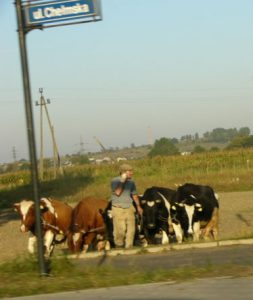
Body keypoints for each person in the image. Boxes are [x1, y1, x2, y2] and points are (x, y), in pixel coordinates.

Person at [110, 163, 143, 248]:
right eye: (130, 171)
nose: (132, 173)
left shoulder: (131, 182)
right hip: (118, 208)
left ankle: (129, 246)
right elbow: (117, 192)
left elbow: (134, 195)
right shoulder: (115, 181)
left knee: (131, 230)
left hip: (129, 207)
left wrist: (138, 206)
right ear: (123, 172)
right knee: (120, 230)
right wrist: (122, 181)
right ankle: (119, 245)